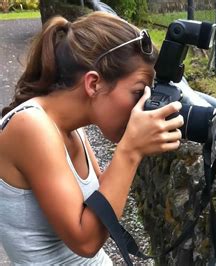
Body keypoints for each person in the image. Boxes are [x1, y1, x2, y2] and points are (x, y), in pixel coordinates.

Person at [0, 11, 184, 264]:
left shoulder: (72, 126)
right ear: (93, 84)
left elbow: (98, 204)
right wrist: (131, 151)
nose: (141, 106)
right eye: (138, 92)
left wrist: (136, 144)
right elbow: (86, 241)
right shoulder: (31, 127)